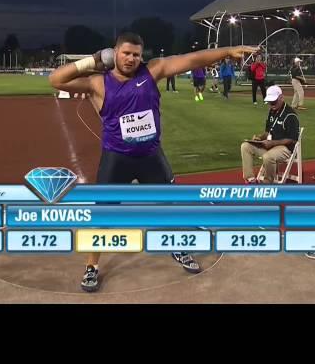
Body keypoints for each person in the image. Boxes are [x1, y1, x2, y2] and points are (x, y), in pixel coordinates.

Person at [49, 32, 257, 292]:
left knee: (169, 205)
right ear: (115, 52)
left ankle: (177, 247)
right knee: (103, 214)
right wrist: (91, 61)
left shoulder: (153, 71)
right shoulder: (98, 83)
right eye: (126, 53)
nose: (132, 59)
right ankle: (92, 267)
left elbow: (192, 59)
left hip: (151, 156)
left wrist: (228, 51)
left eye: (136, 54)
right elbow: (55, 80)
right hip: (117, 158)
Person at [240, 85, 300, 184]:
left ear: (281, 98)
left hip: (285, 148)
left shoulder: (291, 115)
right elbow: (268, 131)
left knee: (268, 157)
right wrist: (260, 137)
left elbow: (293, 139)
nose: (271, 104)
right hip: (270, 146)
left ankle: (268, 184)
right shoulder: (272, 111)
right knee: (245, 146)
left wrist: (273, 143)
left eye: (274, 101)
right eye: (269, 102)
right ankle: (250, 180)